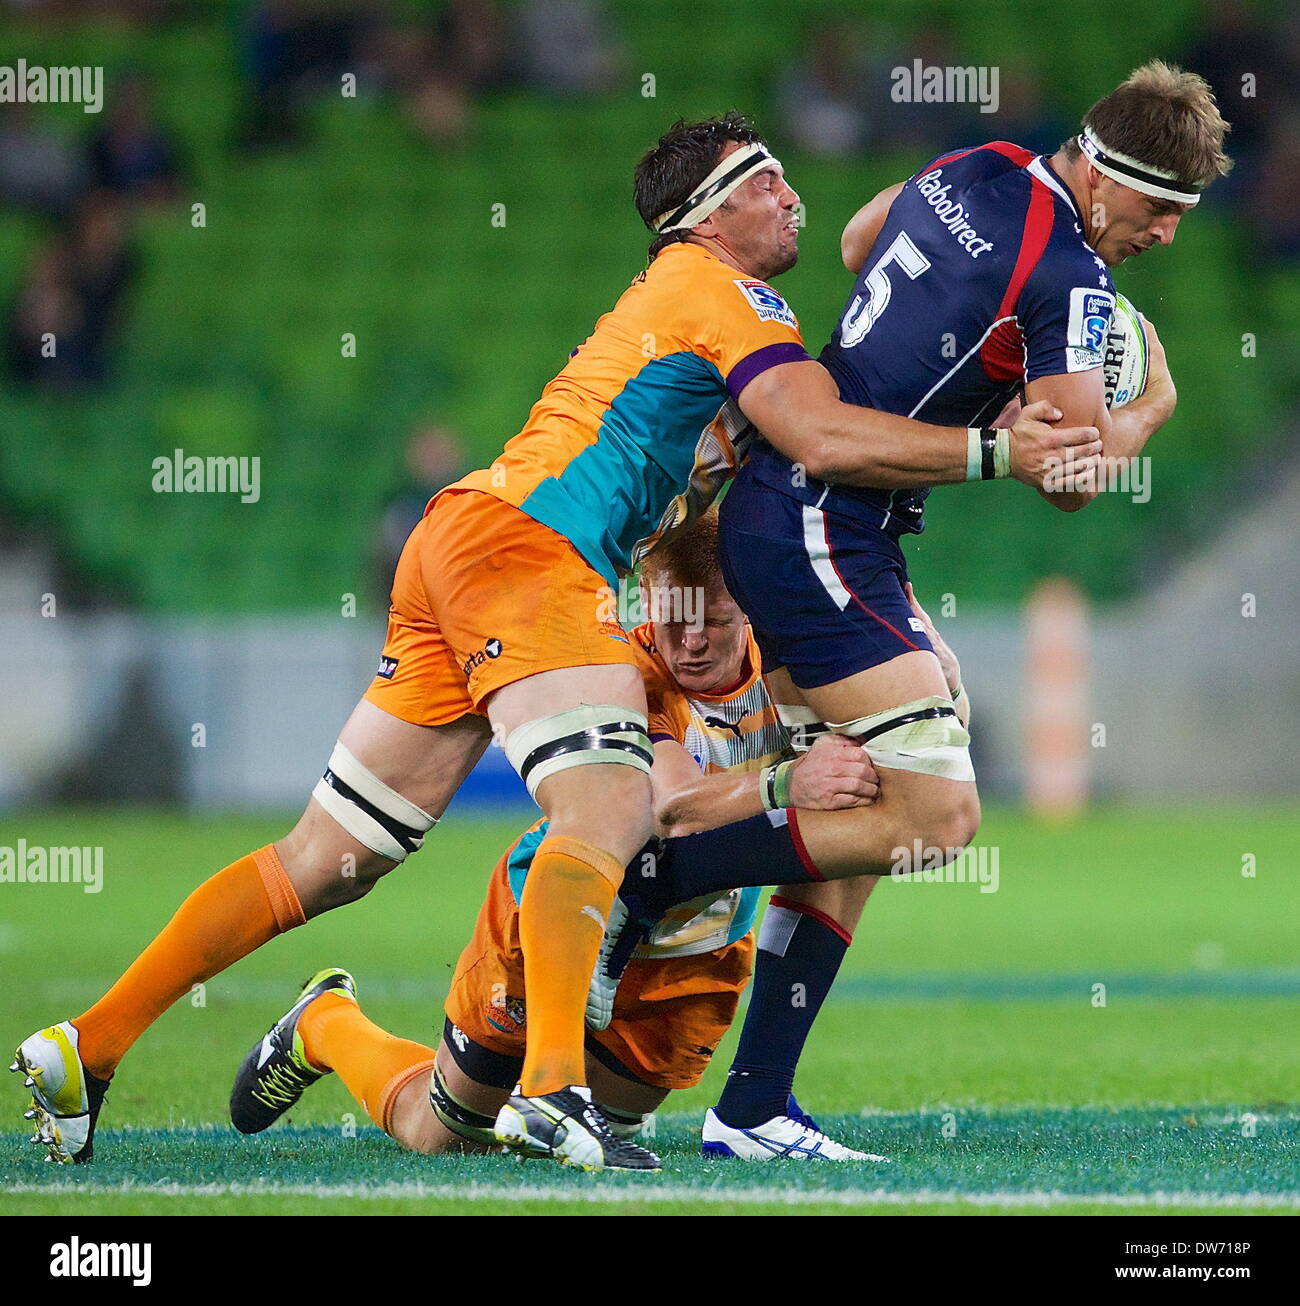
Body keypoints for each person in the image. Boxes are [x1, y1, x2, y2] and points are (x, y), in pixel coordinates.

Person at [14, 112, 1097, 1172]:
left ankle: (88, 1045)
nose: (787, 193)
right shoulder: (724, 291)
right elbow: (820, 436)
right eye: (761, 179)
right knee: (611, 805)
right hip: (533, 549)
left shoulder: (694, 305)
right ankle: (550, 1091)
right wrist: (997, 452)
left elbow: (776, 466)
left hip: (463, 540)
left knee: (328, 858)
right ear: (701, 216)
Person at [590, 68, 1225, 1113]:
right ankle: (655, 877)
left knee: (853, 803)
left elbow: (857, 241)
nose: (1161, 236)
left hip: (803, 518)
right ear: (1107, 180)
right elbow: (1064, 476)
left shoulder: (978, 164)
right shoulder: (1071, 277)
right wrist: (1146, 409)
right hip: (821, 524)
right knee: (936, 816)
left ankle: (754, 1106)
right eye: (1158, 211)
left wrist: (980, 330)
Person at [228, 512, 885, 1164]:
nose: (689, 642)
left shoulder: (792, 662)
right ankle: (326, 1024)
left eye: (712, 621)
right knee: (447, 1133)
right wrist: (789, 782)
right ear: (648, 603)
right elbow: (676, 805)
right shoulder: (625, 668)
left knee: (603, 1126)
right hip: (569, 915)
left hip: (696, 952)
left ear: (748, 608)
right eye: (672, 620)